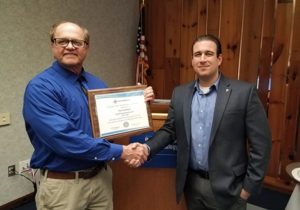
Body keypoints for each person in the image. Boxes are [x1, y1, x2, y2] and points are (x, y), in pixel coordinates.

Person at [23, 21, 151, 210]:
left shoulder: (96, 84)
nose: (69, 46)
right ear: (52, 45)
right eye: (62, 41)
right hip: (64, 186)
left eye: (77, 42)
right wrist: (123, 152)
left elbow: (112, 125)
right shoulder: (41, 88)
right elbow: (65, 140)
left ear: (86, 47)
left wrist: (139, 102)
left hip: (101, 179)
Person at [133, 35, 272, 210]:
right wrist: (146, 148)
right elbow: (169, 130)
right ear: (192, 60)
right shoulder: (180, 93)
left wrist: (247, 189)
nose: (203, 59)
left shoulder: (243, 93)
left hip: (229, 190)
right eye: (198, 54)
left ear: (219, 59)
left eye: (208, 53)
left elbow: (261, 145)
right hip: (191, 186)